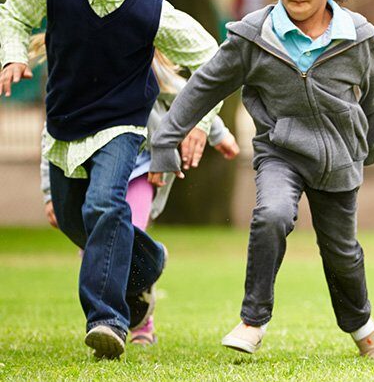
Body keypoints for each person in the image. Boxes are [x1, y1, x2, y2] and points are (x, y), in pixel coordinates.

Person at [150, 0, 374, 359]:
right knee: (272, 216)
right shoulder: (253, 36)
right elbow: (204, 84)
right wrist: (166, 140)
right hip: (280, 151)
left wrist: (368, 149)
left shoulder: (360, 38)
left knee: (341, 252)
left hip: (339, 157)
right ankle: (252, 320)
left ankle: (360, 325)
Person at [0, 0, 220, 359]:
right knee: (74, 218)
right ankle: (149, 259)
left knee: (104, 205)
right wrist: (15, 54)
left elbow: (208, 59)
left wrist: (202, 120)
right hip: (64, 128)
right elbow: (15, 11)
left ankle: (107, 320)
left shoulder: (151, 11)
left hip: (122, 127)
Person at [36, 46, 242, 345]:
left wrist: (218, 133)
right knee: (101, 247)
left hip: (143, 167)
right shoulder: (75, 78)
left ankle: (141, 325)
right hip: (94, 169)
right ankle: (145, 268)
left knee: (122, 238)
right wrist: (48, 192)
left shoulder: (144, 66)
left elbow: (190, 97)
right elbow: (52, 136)